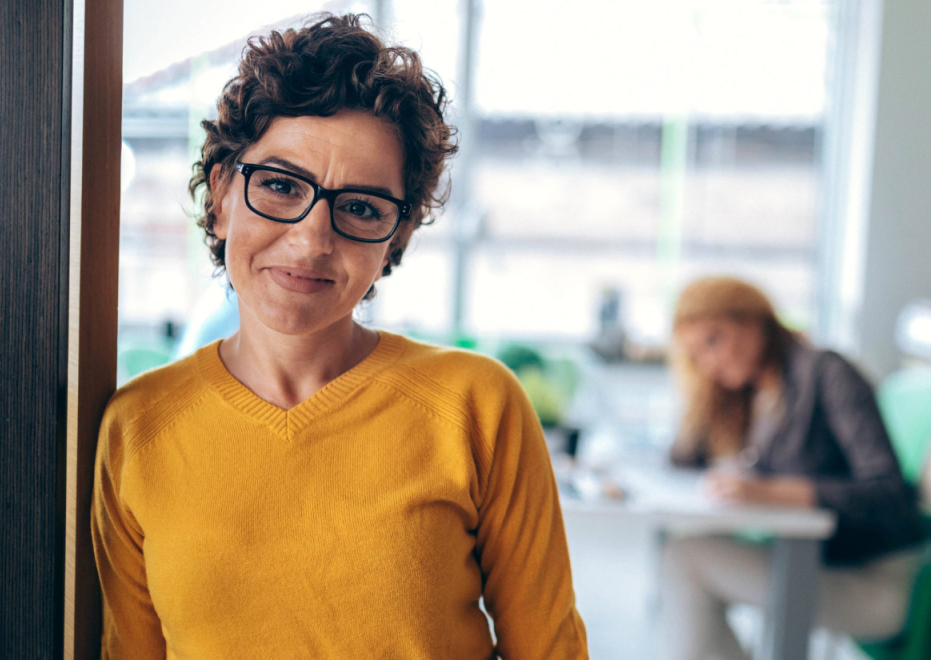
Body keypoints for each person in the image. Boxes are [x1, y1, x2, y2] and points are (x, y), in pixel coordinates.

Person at [91, 15, 588, 659]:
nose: (311, 240)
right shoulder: (138, 428)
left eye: (359, 207)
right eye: (279, 185)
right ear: (220, 195)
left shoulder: (477, 406)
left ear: (397, 237)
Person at [658, 277, 928, 660]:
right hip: (809, 565)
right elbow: (683, 460)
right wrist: (703, 396)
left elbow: (887, 491)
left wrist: (767, 492)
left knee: (686, 559)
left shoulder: (827, 373)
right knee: (685, 555)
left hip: (876, 582)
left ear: (754, 322)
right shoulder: (758, 393)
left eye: (714, 340)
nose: (710, 361)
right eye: (697, 354)